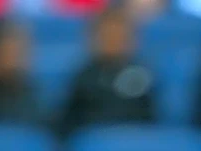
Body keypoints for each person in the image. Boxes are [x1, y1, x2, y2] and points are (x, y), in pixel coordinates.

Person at [56, 4, 157, 138]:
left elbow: (152, 122)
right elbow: (68, 123)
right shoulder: (83, 77)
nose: (113, 40)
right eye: (107, 34)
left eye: (119, 34)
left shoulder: (144, 75)